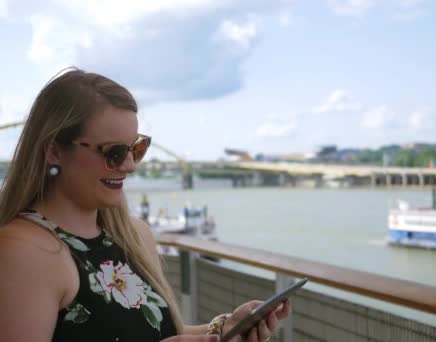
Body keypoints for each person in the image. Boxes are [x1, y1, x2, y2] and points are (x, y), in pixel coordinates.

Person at [0, 68, 290, 342]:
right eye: (113, 152)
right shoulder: (25, 252)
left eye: (136, 149)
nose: (129, 166)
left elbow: (145, 331)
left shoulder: (134, 235)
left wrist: (224, 329)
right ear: (54, 151)